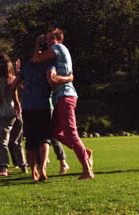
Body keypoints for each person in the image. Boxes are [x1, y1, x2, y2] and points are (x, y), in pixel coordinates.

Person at [32, 28, 94, 180]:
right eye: (46, 39)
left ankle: (87, 170)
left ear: (58, 39)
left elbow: (36, 59)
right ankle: (85, 153)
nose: (47, 41)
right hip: (61, 97)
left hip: (65, 96)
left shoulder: (58, 48)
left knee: (72, 134)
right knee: (54, 132)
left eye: (49, 39)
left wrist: (36, 44)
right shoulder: (57, 54)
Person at [12, 56, 70, 181]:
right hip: (43, 105)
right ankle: (43, 168)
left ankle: (34, 172)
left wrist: (16, 103)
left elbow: (13, 86)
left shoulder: (27, 66)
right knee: (45, 139)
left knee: (30, 141)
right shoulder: (49, 64)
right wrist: (68, 78)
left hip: (27, 106)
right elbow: (52, 79)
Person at [0, 55, 27, 176]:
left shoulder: (0, 81)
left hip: (5, 113)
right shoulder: (16, 78)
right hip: (18, 113)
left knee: (2, 141)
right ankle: (24, 166)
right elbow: (22, 90)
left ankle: (3, 168)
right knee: (17, 141)